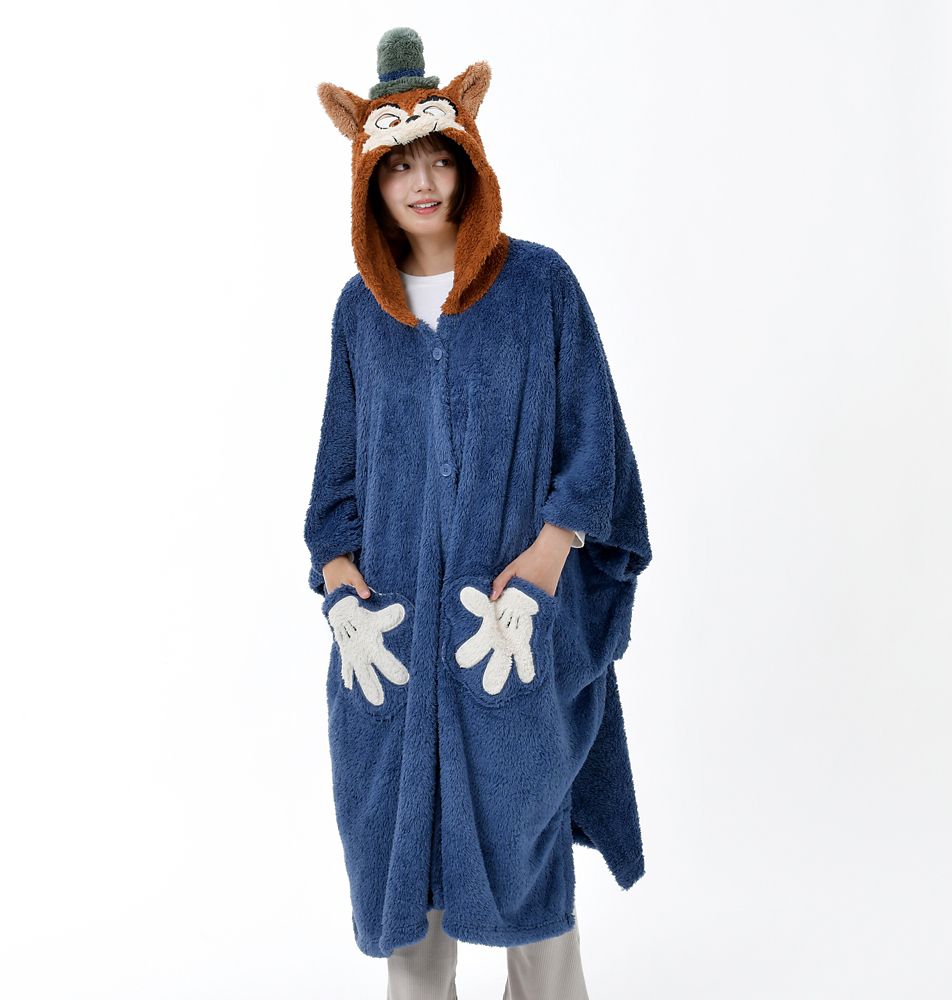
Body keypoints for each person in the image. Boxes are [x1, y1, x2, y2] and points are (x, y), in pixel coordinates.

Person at [305, 27, 653, 1000]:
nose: (421, 183)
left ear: (467, 163)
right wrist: (341, 591)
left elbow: (595, 446)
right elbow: (334, 484)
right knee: (400, 851)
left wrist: (545, 564)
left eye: (437, 160)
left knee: (522, 833)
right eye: (397, 166)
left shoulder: (539, 286)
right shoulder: (358, 313)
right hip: (389, 643)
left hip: (509, 632)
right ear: (368, 180)